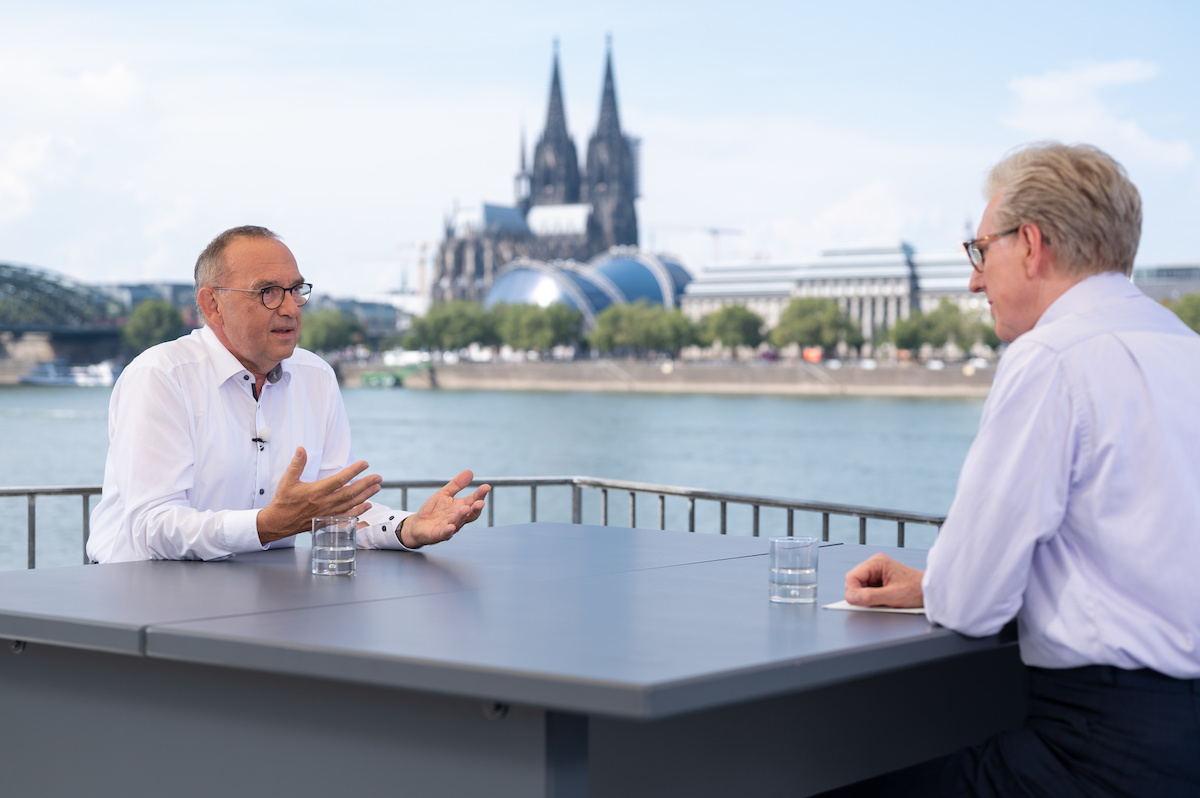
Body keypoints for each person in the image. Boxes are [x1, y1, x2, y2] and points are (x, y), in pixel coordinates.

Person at [829, 143, 1200, 796]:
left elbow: (971, 605)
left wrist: (945, 584)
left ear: (1030, 245)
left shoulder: (1051, 358)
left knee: (819, 771)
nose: (974, 280)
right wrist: (931, 582)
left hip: (1096, 753)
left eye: (979, 251)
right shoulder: (1185, 349)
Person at [88, 225, 489, 563]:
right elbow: (151, 528)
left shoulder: (316, 376)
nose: (290, 308)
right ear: (212, 305)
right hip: (140, 597)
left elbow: (333, 512)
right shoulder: (161, 376)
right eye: (267, 291)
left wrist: (407, 528)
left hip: (264, 596)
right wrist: (268, 525)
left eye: (296, 290)